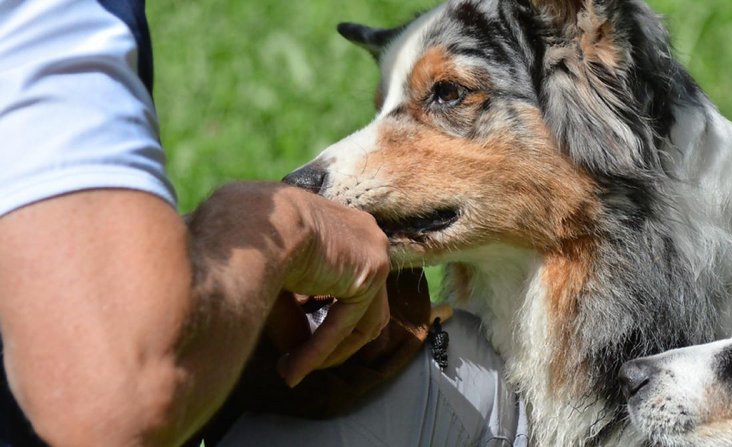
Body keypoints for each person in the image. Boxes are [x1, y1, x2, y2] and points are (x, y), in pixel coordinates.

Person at [0, 1, 524, 445]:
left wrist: (222, 274)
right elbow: (115, 391)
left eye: (448, 95)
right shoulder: (48, 16)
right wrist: (284, 228)